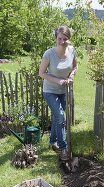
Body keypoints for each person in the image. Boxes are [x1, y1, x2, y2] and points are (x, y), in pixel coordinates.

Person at [39, 25, 77, 161]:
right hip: (49, 90)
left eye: (65, 39)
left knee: (57, 116)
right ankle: (63, 147)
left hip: (63, 91)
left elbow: (74, 67)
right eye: (59, 38)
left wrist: (71, 76)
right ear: (56, 38)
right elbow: (41, 73)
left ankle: (52, 142)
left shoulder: (72, 51)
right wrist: (58, 81)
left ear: (69, 39)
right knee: (61, 116)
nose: (62, 41)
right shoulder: (49, 54)